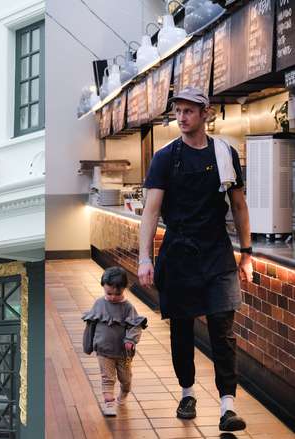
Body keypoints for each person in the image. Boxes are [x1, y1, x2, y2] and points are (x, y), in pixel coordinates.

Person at [138, 87, 252, 432]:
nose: (182, 117)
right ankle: (187, 392)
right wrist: (145, 258)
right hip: (178, 253)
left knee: (223, 328)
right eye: (178, 111)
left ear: (206, 114)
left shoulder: (224, 153)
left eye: (189, 111)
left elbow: (239, 206)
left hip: (217, 252)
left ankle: (227, 405)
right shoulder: (164, 157)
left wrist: (246, 253)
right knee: (183, 330)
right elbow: (151, 211)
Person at [82, 266, 147, 417]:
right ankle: (109, 405)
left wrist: (131, 340)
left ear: (124, 288)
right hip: (104, 351)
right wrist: (88, 345)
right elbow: (90, 325)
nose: (112, 297)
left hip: (124, 353)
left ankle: (124, 393)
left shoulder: (127, 307)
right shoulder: (99, 304)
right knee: (107, 378)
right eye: (108, 293)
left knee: (126, 379)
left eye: (117, 294)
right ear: (103, 287)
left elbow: (135, 325)